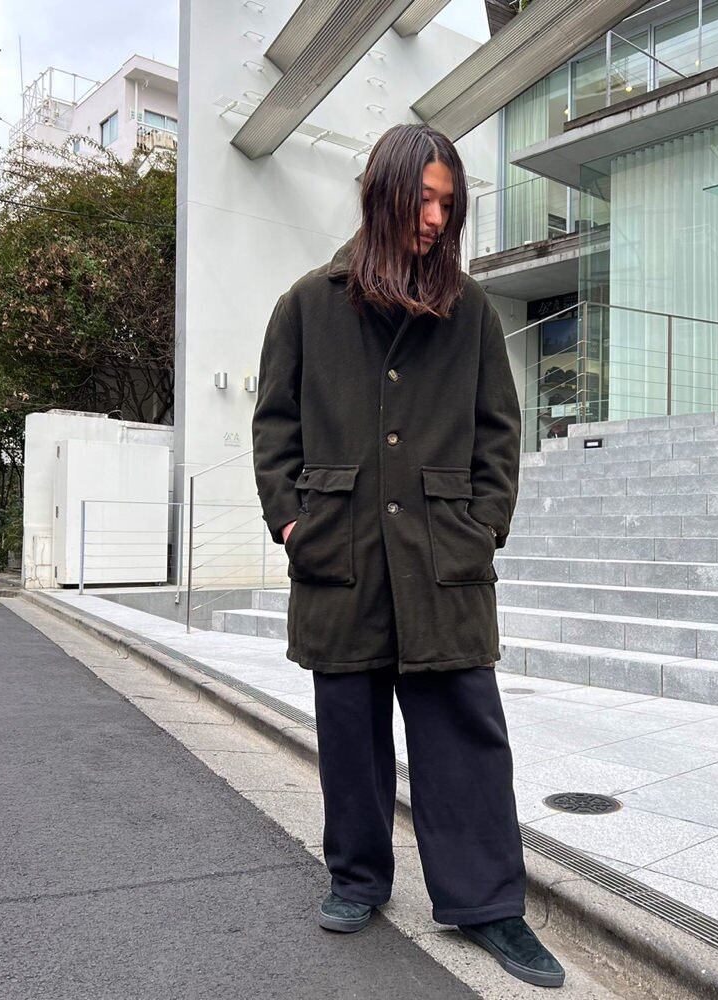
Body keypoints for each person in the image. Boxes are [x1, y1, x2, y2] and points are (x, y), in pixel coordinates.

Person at [252, 123, 565, 989]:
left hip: (441, 555)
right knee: (349, 730)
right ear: (381, 194)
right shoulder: (307, 305)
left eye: (447, 203)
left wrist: (484, 524)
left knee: (465, 733)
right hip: (341, 550)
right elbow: (274, 427)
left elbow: (498, 432)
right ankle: (357, 878)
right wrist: (293, 523)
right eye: (422, 199)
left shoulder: (469, 312)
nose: (435, 218)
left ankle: (488, 904)